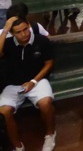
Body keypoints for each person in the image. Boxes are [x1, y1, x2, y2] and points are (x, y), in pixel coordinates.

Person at [0, 16, 56, 151]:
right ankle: (17, 145)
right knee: (4, 112)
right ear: (12, 33)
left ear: (29, 25)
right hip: (12, 84)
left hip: (37, 80)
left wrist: (33, 81)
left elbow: (49, 63)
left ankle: (50, 134)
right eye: (18, 32)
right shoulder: (7, 43)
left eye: (26, 29)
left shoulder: (41, 41)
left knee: (45, 103)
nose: (24, 34)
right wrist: (5, 29)